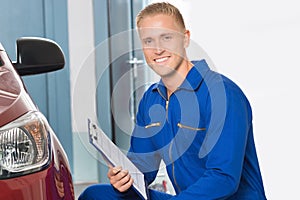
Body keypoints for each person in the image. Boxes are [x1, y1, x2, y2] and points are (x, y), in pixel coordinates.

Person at [79, 2, 267, 199]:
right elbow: (143, 169)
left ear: (185, 39)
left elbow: (223, 178)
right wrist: (123, 178)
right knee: (96, 195)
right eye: (149, 41)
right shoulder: (151, 99)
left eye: (166, 38)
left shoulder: (222, 94)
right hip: (184, 197)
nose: (157, 49)